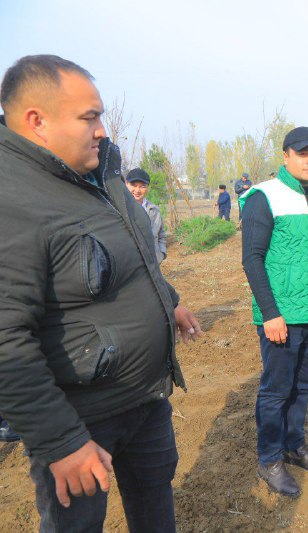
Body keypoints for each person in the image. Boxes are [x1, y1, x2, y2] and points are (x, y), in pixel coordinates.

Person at [0, 54, 203, 531]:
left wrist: (168, 302)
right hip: (82, 421)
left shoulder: (103, 175)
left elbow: (134, 257)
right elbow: (6, 338)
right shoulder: (14, 203)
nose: (101, 129)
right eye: (89, 117)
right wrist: (60, 441)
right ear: (37, 122)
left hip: (146, 397)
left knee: (155, 506)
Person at [240, 126, 308, 498]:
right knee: (275, 390)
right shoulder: (263, 197)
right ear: (285, 156)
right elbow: (251, 259)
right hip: (281, 316)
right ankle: (269, 458)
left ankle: (294, 445)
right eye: (303, 153)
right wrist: (270, 312)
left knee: (302, 386)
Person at [125, 168, 168, 263]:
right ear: (126, 184)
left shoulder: (154, 210)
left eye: (142, 186)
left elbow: (161, 234)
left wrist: (161, 253)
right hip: (129, 264)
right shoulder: (119, 209)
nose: (137, 190)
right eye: (133, 185)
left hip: (153, 262)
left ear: (147, 187)